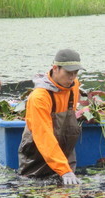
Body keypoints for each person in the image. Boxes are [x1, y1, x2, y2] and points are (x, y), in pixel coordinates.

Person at [18, 49, 84, 185]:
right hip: (37, 162)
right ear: (55, 68)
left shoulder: (74, 86)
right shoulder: (40, 97)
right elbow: (44, 136)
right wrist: (64, 170)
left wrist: (66, 169)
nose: (72, 78)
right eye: (68, 73)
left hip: (65, 160)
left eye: (75, 73)